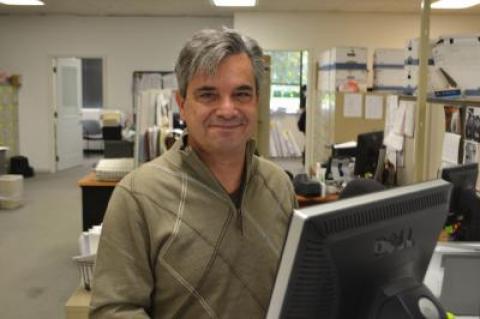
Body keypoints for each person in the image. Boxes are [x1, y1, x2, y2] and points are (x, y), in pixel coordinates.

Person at [89, 28, 297, 318]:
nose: (227, 109)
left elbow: (297, 284)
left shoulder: (279, 185)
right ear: (182, 105)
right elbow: (113, 310)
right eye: (208, 95)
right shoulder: (138, 195)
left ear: (256, 101)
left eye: (241, 94)